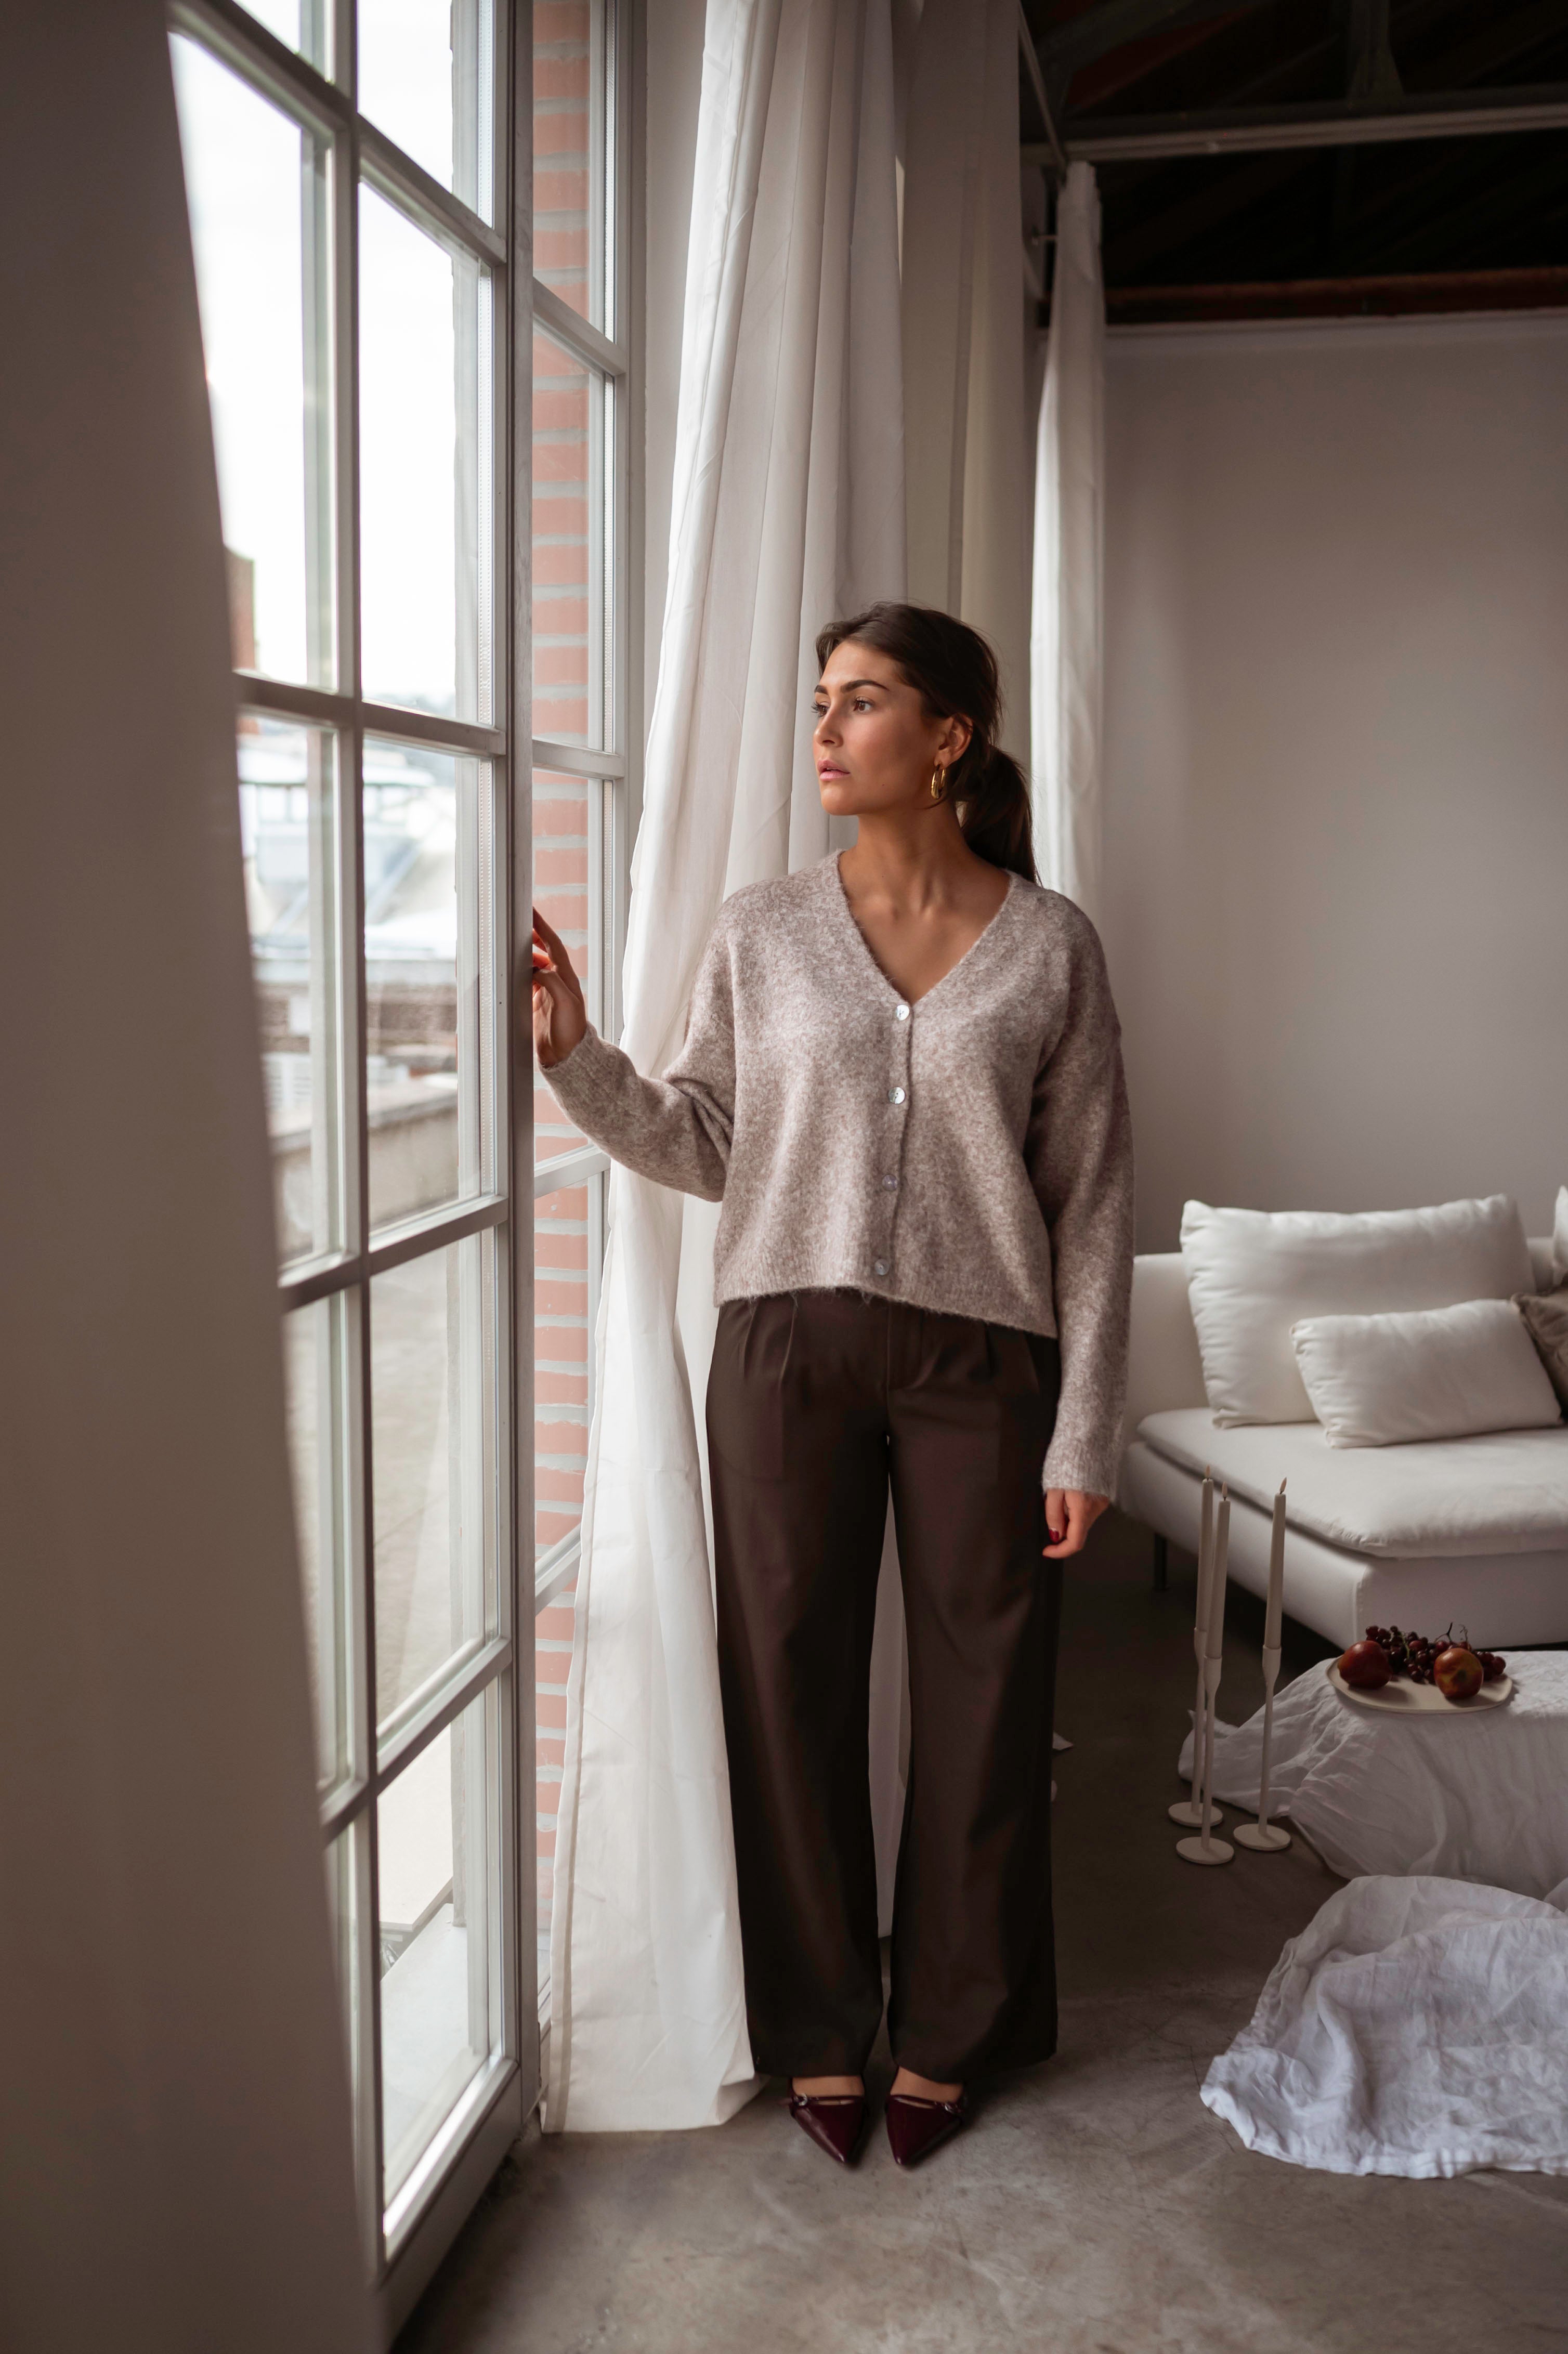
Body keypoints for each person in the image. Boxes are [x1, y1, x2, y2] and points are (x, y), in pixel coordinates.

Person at [530, 601, 1134, 2169]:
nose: (824, 730)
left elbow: (1092, 1205)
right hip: (784, 1348)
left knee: (988, 1698)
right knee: (785, 1689)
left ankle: (950, 2030)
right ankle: (813, 2025)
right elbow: (708, 1141)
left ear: (948, 737)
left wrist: (1083, 1429)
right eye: (820, 701)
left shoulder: (1052, 944)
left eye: (861, 702)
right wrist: (580, 1058)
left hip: (982, 1363)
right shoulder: (764, 927)